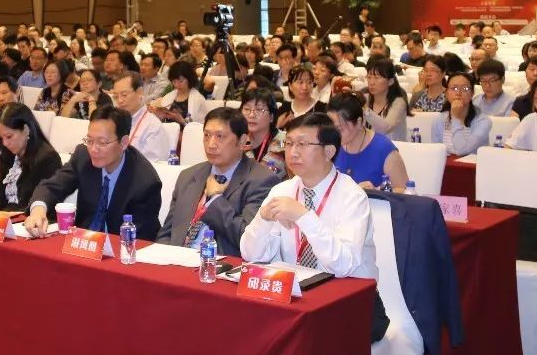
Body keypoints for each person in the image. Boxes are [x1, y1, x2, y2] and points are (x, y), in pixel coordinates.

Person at [240, 113, 380, 306]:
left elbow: (343, 265)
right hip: (297, 295)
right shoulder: (282, 190)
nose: (293, 152)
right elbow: (251, 255)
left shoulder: (352, 196)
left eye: (302, 144)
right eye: (289, 144)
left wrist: (303, 216)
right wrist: (263, 219)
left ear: (329, 151)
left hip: (349, 300)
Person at [24, 106, 163, 240]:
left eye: (102, 143)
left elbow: (141, 238)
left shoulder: (145, 182)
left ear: (124, 142)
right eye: (89, 141)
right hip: (82, 243)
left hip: (119, 247)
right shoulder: (83, 156)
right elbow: (52, 186)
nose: (93, 149)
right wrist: (38, 209)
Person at [158, 107, 280, 256]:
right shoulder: (189, 176)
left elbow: (248, 240)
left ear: (242, 141)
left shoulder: (261, 181)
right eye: (207, 135)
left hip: (219, 263)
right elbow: (167, 232)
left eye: (220, 136)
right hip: (178, 260)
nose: (211, 144)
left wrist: (215, 200)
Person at [0, 103, 62, 212]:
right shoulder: (8, 153)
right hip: (5, 217)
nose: (5, 143)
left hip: (29, 219)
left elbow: (45, 203)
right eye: (1, 138)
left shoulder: (48, 158)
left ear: (26, 129)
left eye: (9, 136)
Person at [328, 94, 409, 190]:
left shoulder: (383, 149)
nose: (334, 134)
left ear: (359, 123)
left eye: (339, 129)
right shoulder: (330, 146)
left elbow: (405, 191)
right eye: (330, 128)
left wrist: (377, 191)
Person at [108, 71, 169, 163]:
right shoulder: (114, 122)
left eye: (124, 95)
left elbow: (154, 165)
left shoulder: (153, 127)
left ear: (140, 92)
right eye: (116, 96)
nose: (119, 100)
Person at [442, 71, 492, 156]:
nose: (458, 93)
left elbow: (462, 150)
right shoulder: (439, 119)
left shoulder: (483, 121)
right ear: (446, 93)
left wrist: (456, 118)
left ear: (472, 93)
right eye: (454, 88)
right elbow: (437, 151)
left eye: (465, 89)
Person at [360, 56, 409, 141]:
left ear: (390, 81)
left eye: (377, 78)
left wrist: (364, 109)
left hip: (393, 147)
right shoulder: (365, 98)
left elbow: (385, 128)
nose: (371, 82)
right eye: (369, 77)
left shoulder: (398, 103)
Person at [150, 60, 208, 126]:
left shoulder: (198, 99)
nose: (177, 85)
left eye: (181, 81)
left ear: (189, 78)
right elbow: (163, 120)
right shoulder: (170, 95)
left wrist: (181, 120)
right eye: (174, 82)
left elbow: (200, 127)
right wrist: (159, 114)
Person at [510, 54, 537, 119]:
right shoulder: (520, 101)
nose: (535, 73)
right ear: (525, 72)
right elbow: (513, 123)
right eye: (531, 69)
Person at [276, 66, 319, 131]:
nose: (305, 87)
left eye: (309, 82)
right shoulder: (284, 109)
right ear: (290, 86)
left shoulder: (321, 109)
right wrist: (278, 126)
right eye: (300, 82)